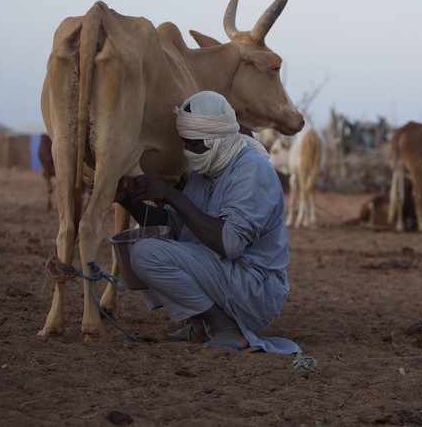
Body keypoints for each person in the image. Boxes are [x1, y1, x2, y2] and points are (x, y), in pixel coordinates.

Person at [115, 90, 300, 354]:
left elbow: (230, 244)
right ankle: (201, 324)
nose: (188, 152)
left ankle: (226, 327)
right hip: (228, 276)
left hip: (255, 289)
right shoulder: (207, 167)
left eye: (194, 144)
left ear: (216, 139)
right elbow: (177, 227)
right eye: (185, 144)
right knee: (143, 242)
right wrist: (128, 200)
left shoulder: (252, 169)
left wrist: (171, 195)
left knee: (147, 253)